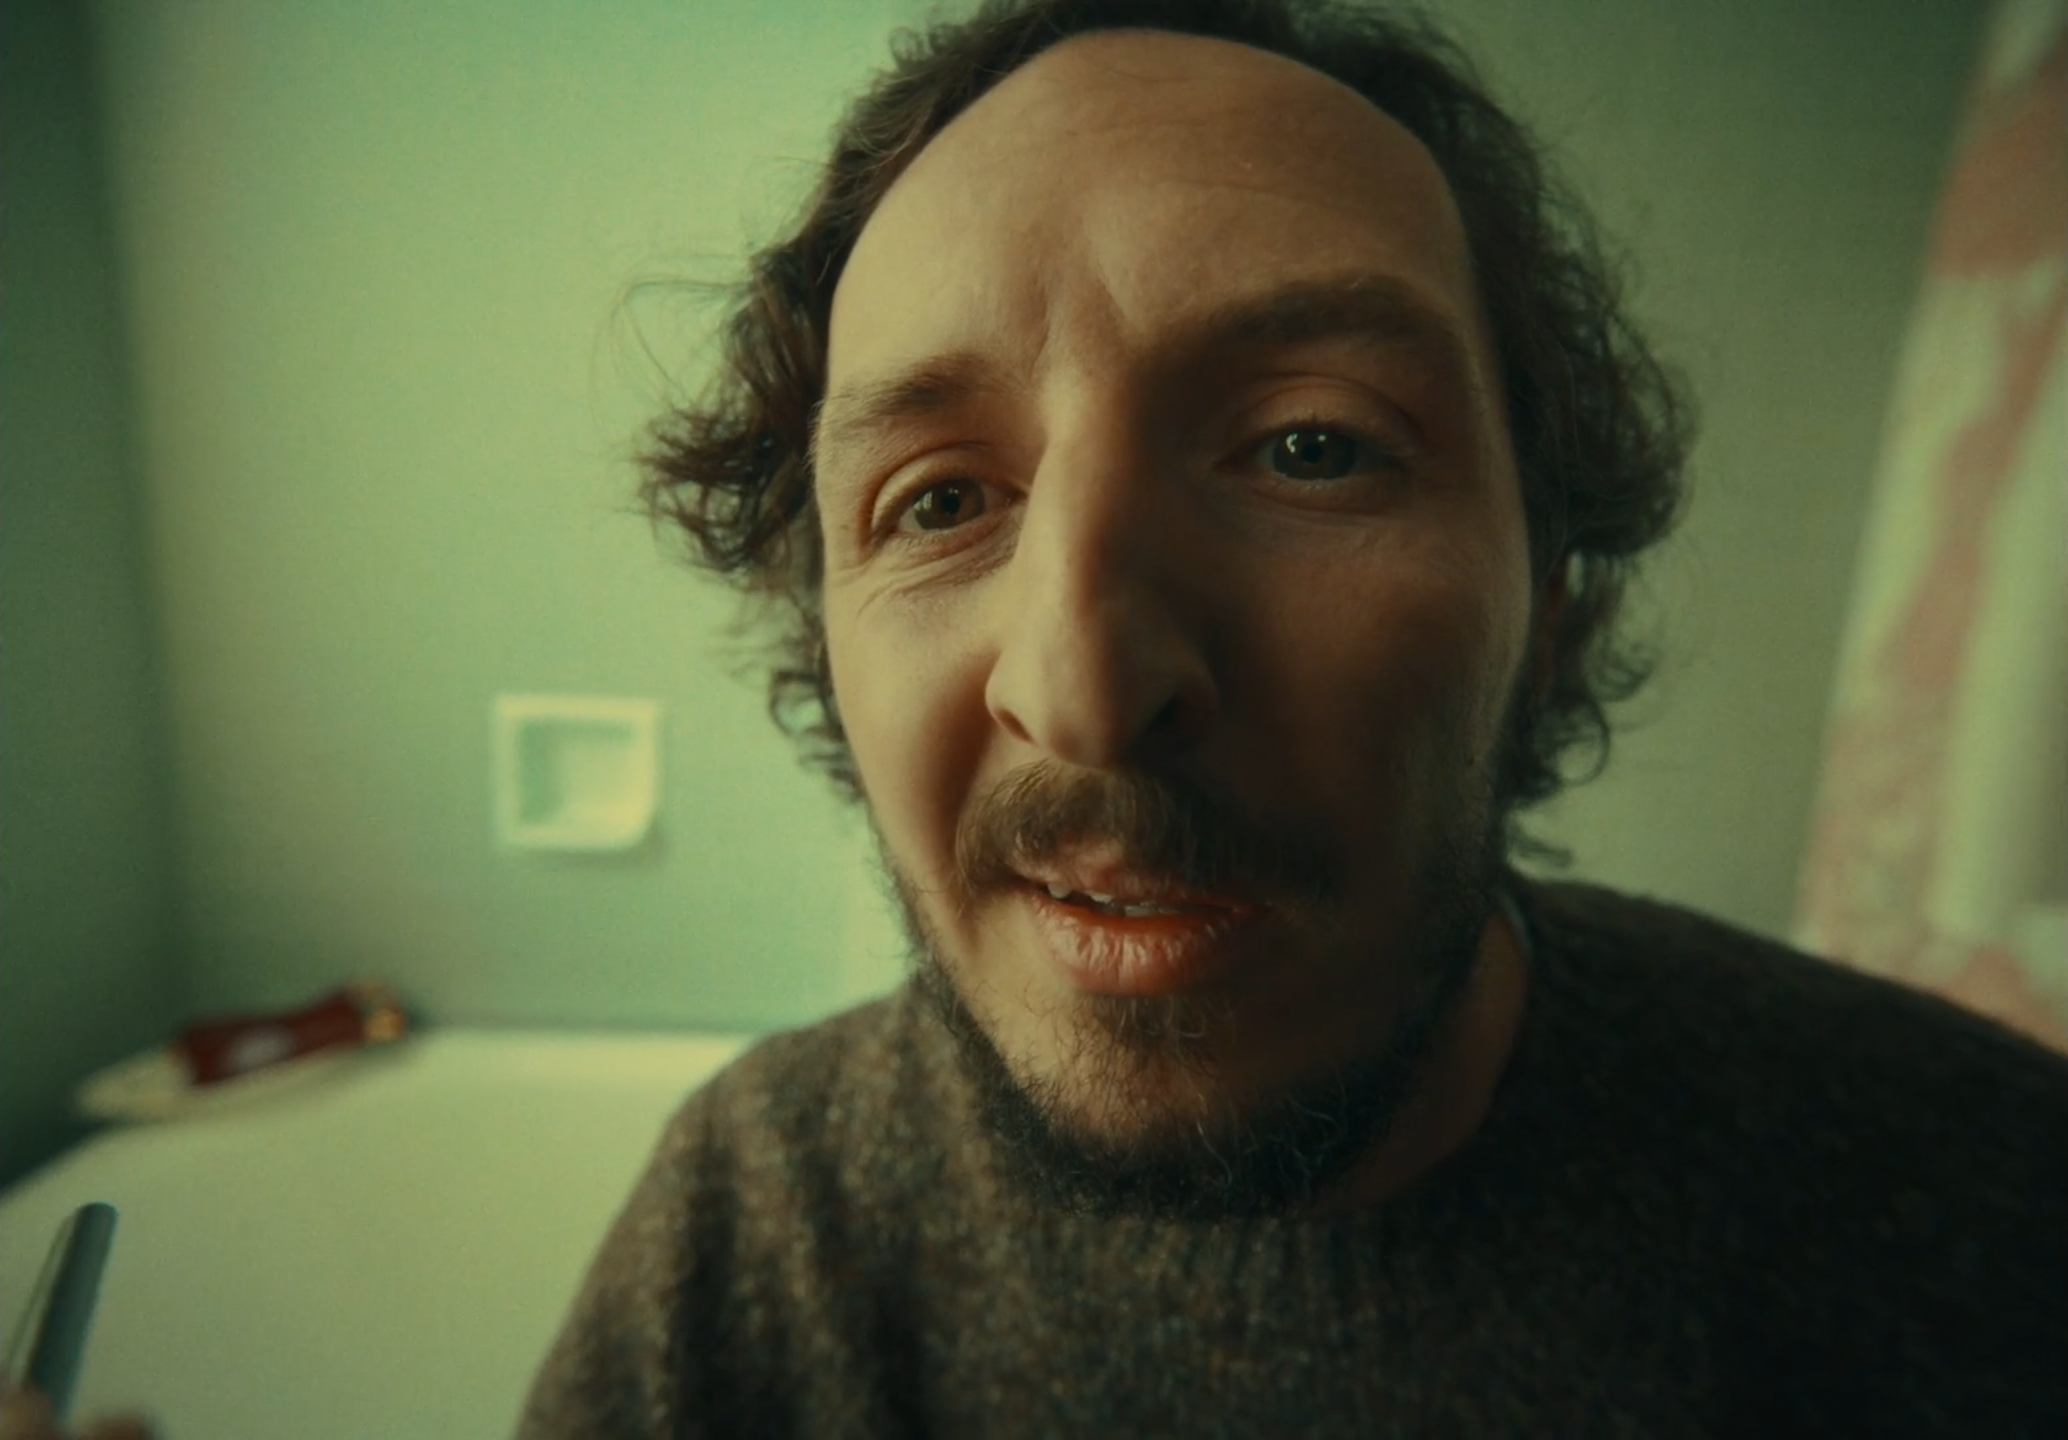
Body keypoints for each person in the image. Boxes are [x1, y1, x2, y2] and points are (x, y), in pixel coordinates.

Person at [518, 0, 2068, 1434]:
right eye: (938, 501)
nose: (1084, 691)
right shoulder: (755, 1227)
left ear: (1550, 600)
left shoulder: (1986, 1198)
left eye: (1313, 448)